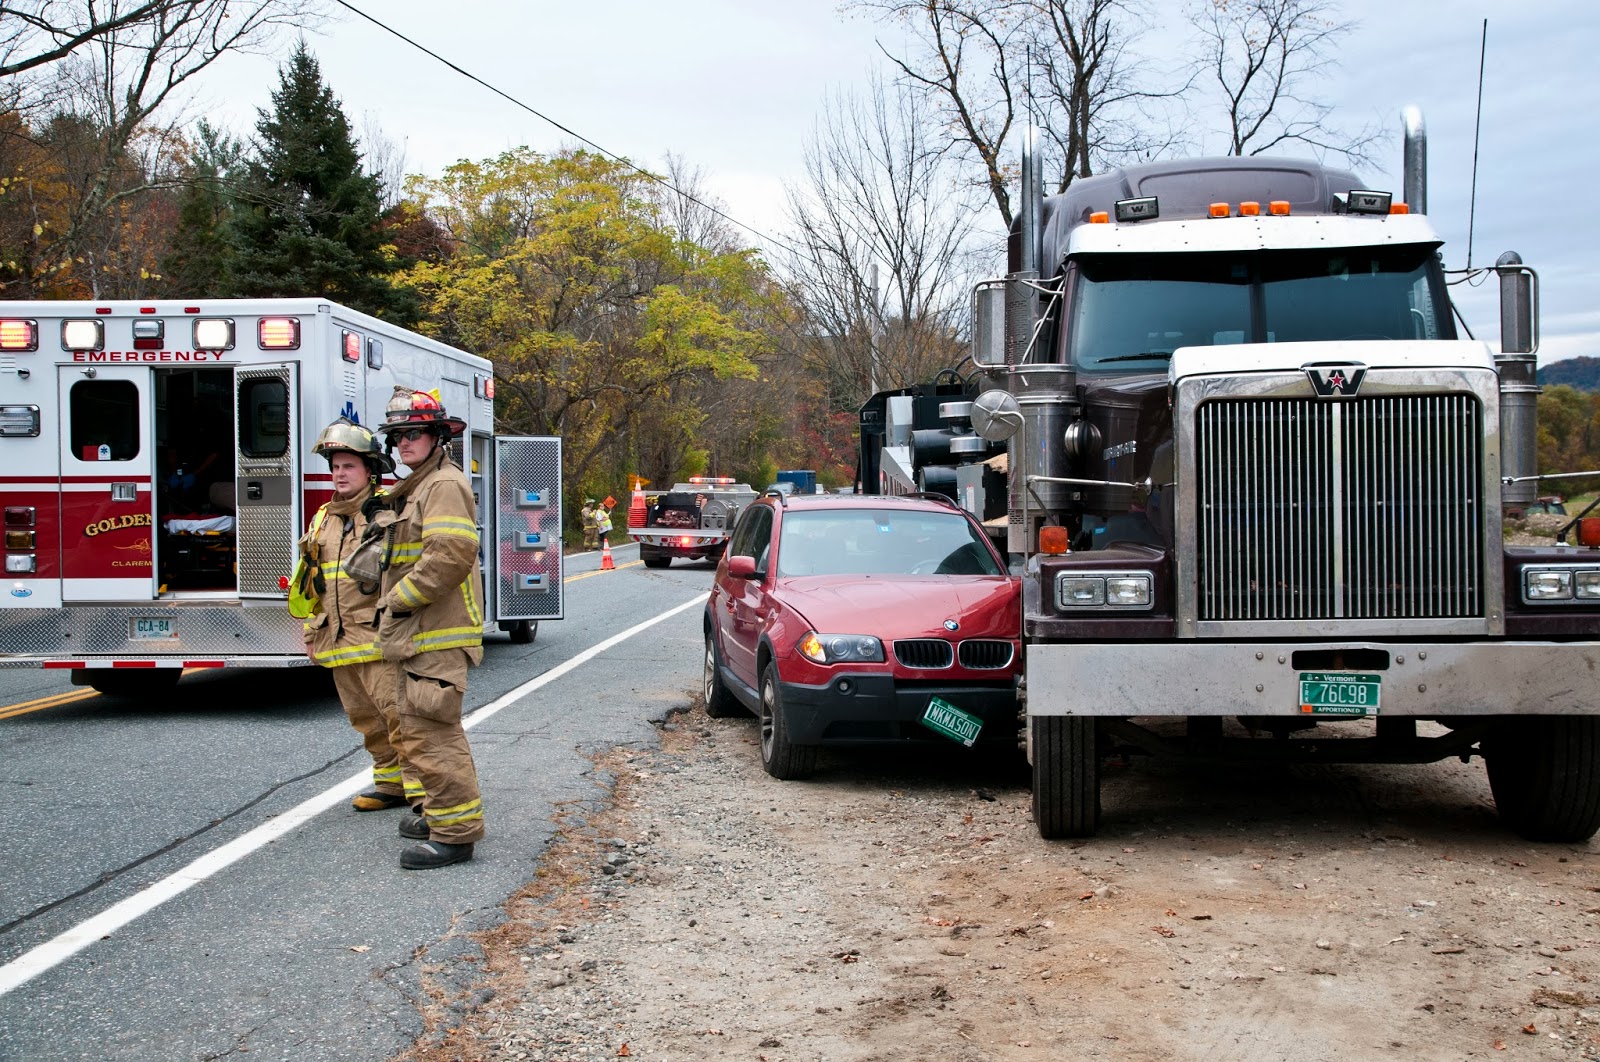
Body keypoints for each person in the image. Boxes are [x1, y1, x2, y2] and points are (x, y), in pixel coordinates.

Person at [373, 387, 487, 870]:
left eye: (414, 433)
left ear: (437, 435)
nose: (404, 442)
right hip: (417, 632)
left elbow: (449, 555)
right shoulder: (418, 486)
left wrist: (397, 601)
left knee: (433, 733)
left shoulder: (442, 484)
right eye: (398, 434)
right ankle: (441, 814)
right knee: (417, 731)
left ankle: (455, 835)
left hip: (435, 632)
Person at [294, 419, 416, 814]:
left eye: (349, 466)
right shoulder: (323, 518)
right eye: (335, 467)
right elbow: (311, 582)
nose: (340, 474)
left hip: (379, 639)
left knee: (399, 717)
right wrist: (312, 632)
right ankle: (391, 785)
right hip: (338, 640)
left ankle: (422, 794)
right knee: (365, 720)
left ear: (370, 470)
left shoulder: (387, 511)